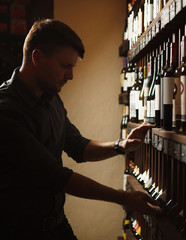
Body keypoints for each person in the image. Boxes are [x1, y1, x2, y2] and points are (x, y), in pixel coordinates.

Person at [0, 19, 160, 239]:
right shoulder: (5, 111)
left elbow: (78, 146)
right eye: (65, 66)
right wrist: (123, 198)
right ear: (37, 57)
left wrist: (121, 145)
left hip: (58, 226)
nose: (71, 76)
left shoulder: (51, 99)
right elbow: (56, 176)